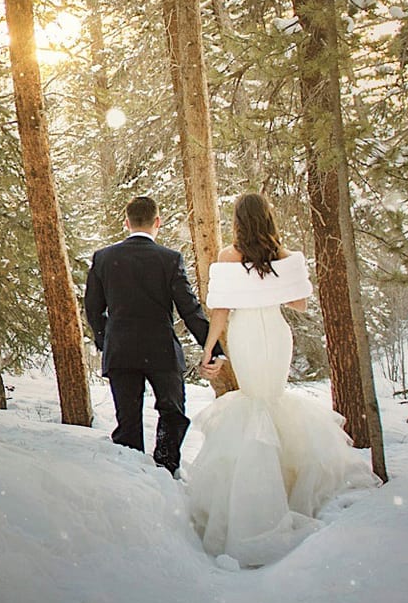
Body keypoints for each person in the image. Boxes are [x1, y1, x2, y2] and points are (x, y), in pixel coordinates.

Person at [184, 192, 380, 567]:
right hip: (274, 332)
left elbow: (220, 313)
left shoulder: (228, 257)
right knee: (269, 403)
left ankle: (260, 501)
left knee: (259, 404)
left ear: (239, 221)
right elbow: (299, 304)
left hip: (247, 335)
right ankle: (285, 493)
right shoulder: (284, 257)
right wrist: (271, 280)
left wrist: (210, 351)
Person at [83, 196, 214, 475]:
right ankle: (165, 469)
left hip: (121, 350)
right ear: (158, 221)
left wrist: (106, 339)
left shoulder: (104, 257)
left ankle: (132, 477)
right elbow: (189, 309)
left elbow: (93, 309)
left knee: (127, 420)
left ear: (127, 222)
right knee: (172, 413)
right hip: (161, 350)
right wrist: (211, 347)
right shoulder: (169, 259)